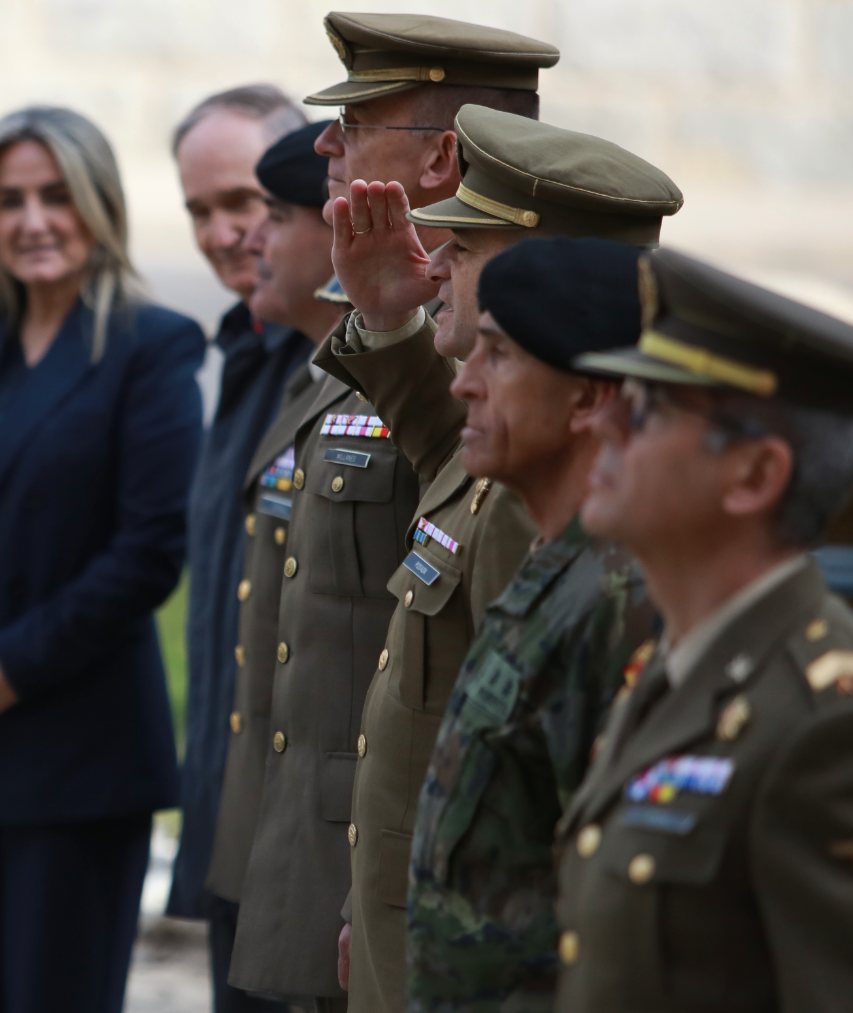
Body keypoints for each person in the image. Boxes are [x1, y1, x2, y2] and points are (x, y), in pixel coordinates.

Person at [316, 100, 683, 1012]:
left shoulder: (586, 539)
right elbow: (461, 454)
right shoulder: (519, 461)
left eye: (467, 251)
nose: (435, 264)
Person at [0, 105, 204, 1013]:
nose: (32, 219)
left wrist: (7, 672)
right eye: (9, 199)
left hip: (73, 759)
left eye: (56, 195)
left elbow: (149, 551)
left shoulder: (152, 348)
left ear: (99, 204)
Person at [556, 246, 853, 1011]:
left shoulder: (832, 733)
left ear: (755, 475)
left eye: (648, 407)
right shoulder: (685, 664)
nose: (602, 422)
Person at [281, 13, 558, 1010]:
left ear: (442, 153)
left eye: (356, 119)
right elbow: (462, 472)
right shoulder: (431, 322)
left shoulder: (554, 398)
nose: (325, 141)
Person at [403, 238, 659, 1009]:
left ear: (589, 400)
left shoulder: (622, 597)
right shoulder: (556, 564)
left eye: (500, 356)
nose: (464, 385)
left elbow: (621, 897)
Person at [198, 120, 418, 1013]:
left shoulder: (400, 386)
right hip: (280, 819)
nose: (251, 237)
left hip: (348, 830)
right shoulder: (309, 380)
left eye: (278, 214)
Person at [167, 83, 314, 1013]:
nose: (225, 233)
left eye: (246, 205)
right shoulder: (247, 347)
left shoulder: (342, 360)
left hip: (299, 839)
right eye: (200, 211)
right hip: (233, 820)